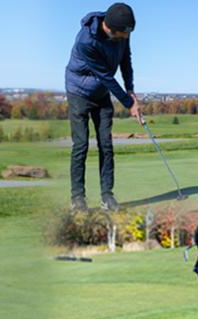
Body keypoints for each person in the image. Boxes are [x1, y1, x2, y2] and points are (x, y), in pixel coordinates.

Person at [65, 2, 141, 212]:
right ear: (110, 28)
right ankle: (77, 198)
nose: (126, 37)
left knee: (106, 144)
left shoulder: (124, 30)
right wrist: (128, 104)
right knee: (81, 145)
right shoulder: (86, 41)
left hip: (101, 92)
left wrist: (131, 90)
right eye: (124, 34)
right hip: (79, 92)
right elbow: (106, 76)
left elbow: (126, 60)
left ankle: (107, 196)